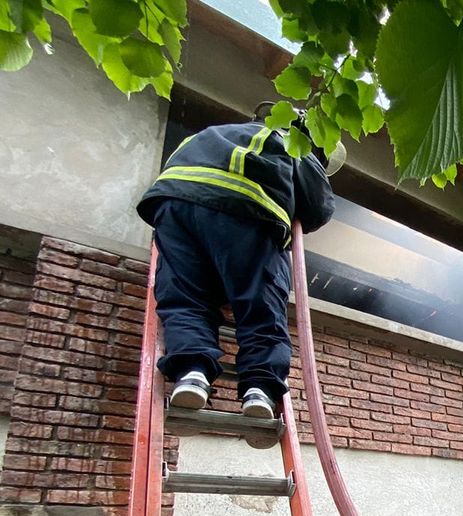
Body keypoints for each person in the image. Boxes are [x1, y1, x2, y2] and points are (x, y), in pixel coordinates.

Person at [136, 105, 341, 421]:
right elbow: (317, 208)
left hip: (174, 208)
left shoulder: (211, 133)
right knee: (261, 306)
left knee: (185, 298)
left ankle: (192, 373)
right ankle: (259, 387)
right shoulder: (292, 141)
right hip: (247, 212)